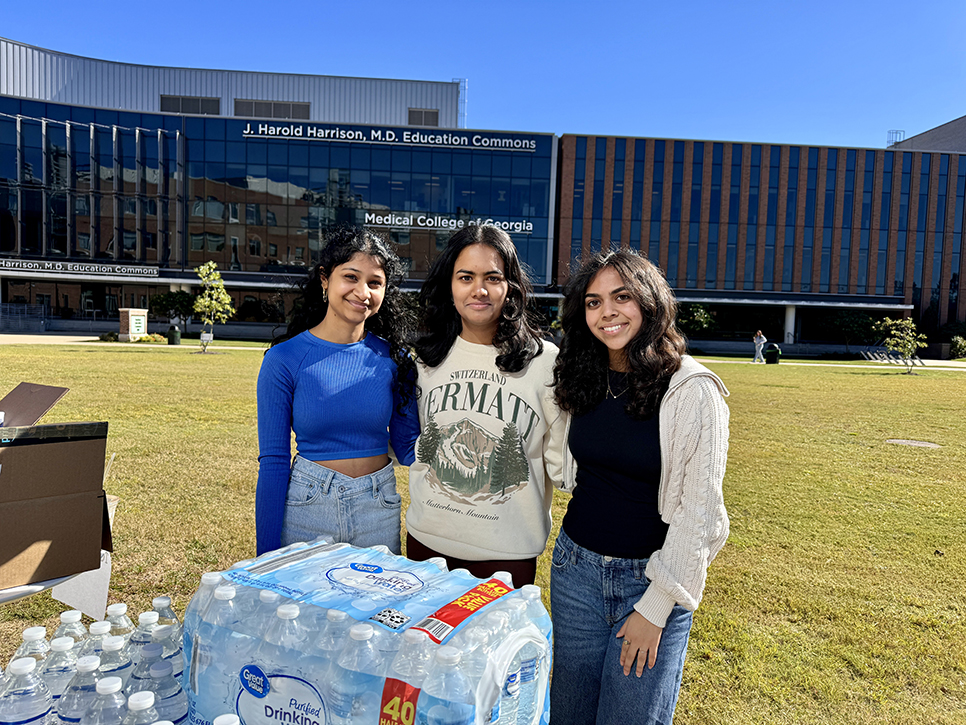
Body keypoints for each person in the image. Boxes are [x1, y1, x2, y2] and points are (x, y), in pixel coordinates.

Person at [549, 250, 730, 724]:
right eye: (593, 302)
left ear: (649, 302)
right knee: (569, 714)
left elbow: (701, 514)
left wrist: (655, 608)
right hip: (575, 573)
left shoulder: (691, 389)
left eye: (621, 296)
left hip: (649, 582)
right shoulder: (581, 375)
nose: (606, 312)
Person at [405, 224, 566, 586]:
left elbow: (564, 466)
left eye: (492, 277)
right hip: (425, 545)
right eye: (466, 277)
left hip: (506, 557)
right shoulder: (425, 359)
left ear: (510, 287)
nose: (479, 290)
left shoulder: (544, 362)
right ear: (449, 285)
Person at [255, 225, 419, 556]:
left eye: (375, 283)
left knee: (374, 608)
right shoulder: (283, 359)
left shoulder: (397, 360)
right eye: (351, 277)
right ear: (325, 279)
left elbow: (407, 449)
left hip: (379, 506)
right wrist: (265, 559)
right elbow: (273, 461)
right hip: (308, 508)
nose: (363, 291)